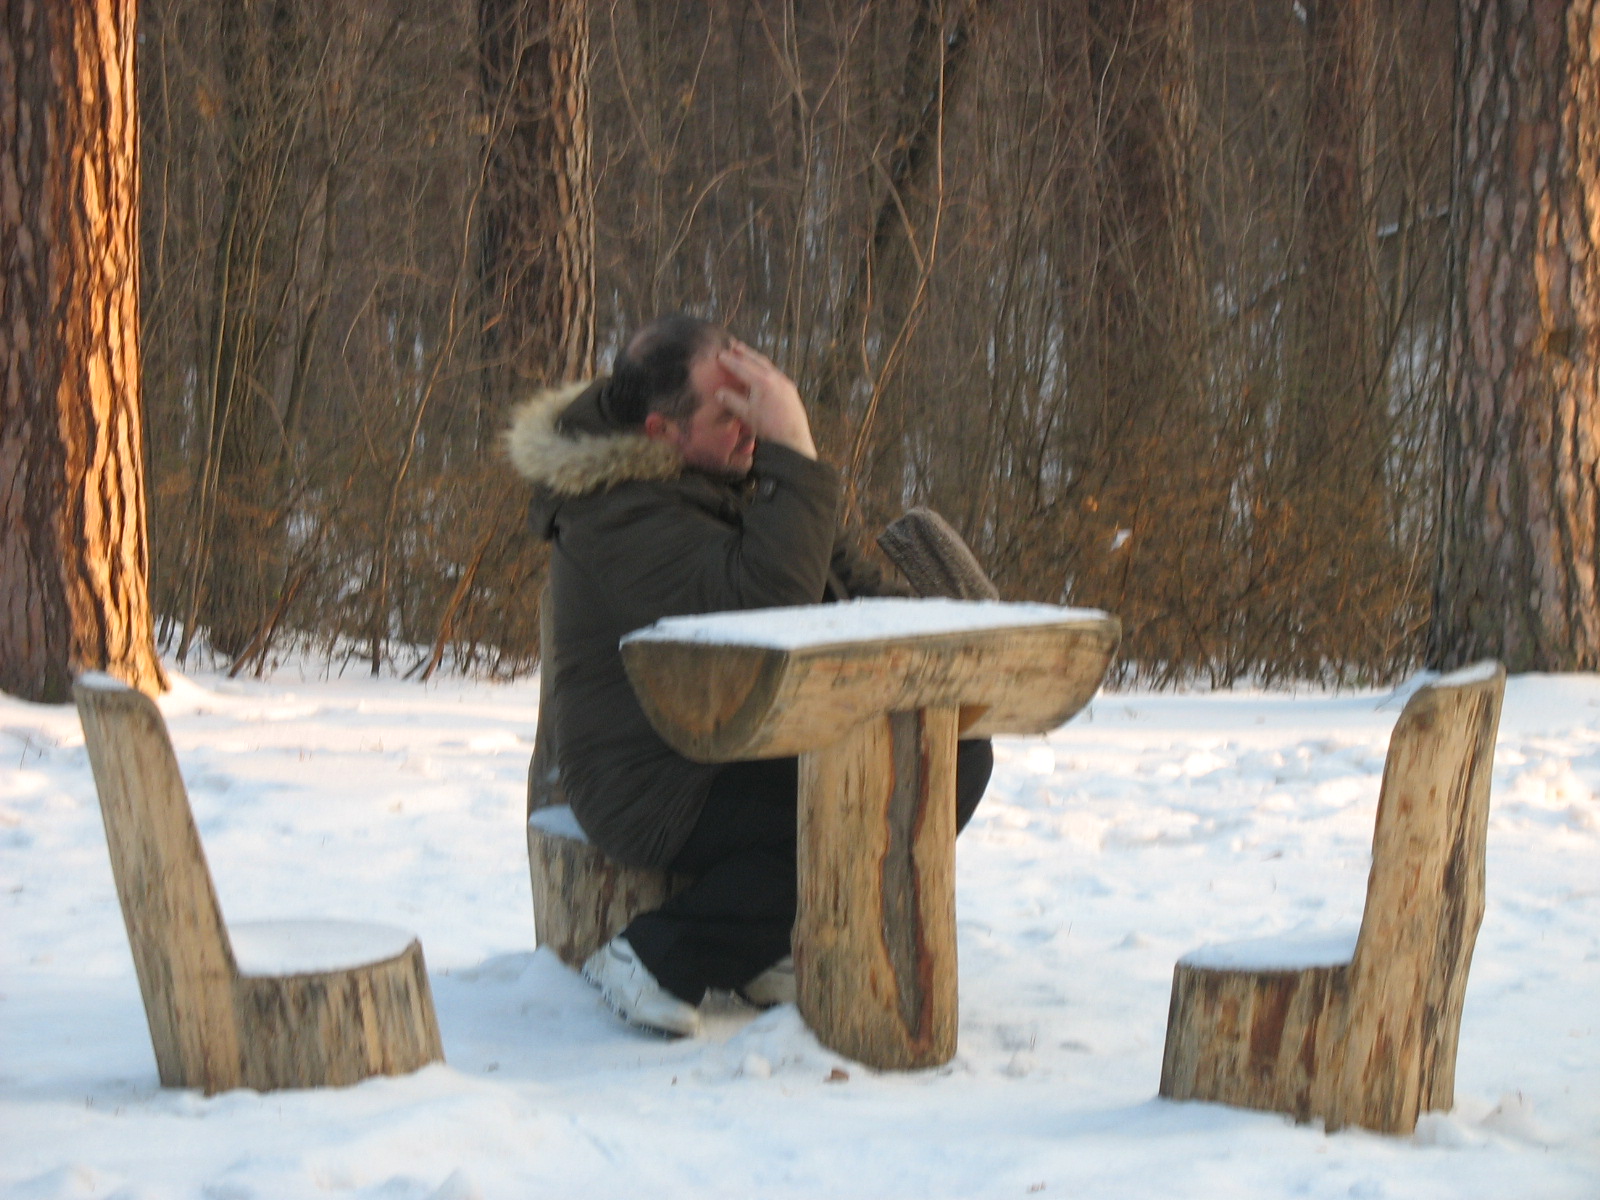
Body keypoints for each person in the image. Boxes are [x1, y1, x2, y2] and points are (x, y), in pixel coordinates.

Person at [506, 314, 992, 1037]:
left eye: (759, 406)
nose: (754, 431)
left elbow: (845, 586)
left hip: (739, 735)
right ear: (661, 431)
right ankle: (655, 957)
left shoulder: (723, 470)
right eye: (729, 416)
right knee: (890, 790)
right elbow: (764, 618)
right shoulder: (617, 512)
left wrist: (947, 635)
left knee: (946, 754)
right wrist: (796, 456)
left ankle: (756, 947)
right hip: (658, 778)